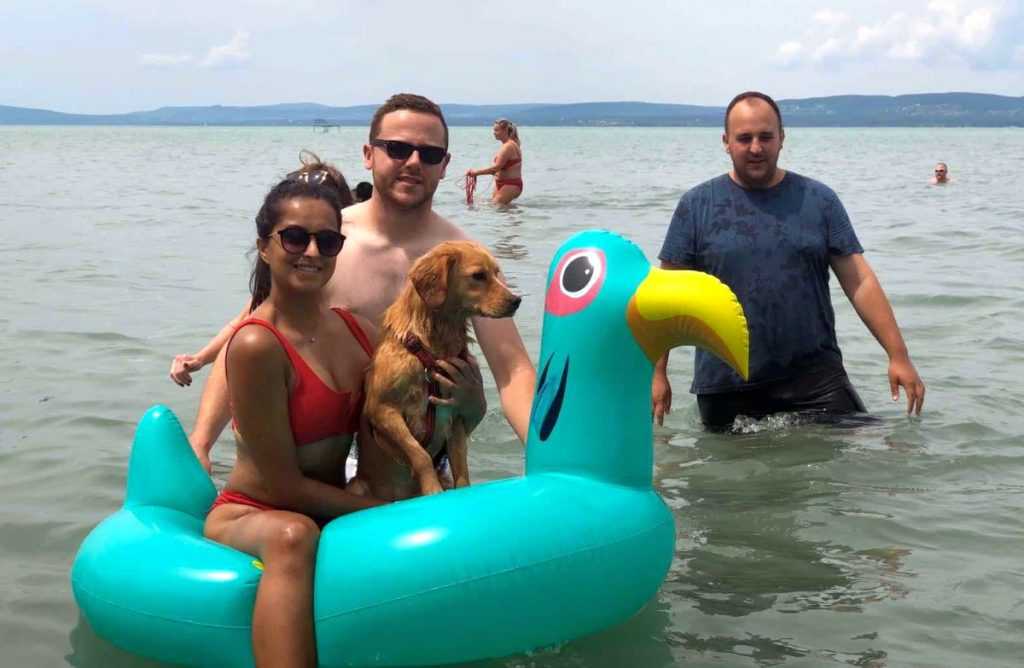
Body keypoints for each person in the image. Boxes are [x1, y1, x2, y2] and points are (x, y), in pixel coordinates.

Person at [172, 94, 536, 472]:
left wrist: (545, 457)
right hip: (336, 453)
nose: (413, 162)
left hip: (425, 453)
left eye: (429, 154)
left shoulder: (467, 259)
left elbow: (514, 371)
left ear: (444, 166)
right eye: (397, 149)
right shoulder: (325, 243)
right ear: (368, 154)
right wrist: (202, 442)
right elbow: (251, 334)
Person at [652, 91, 925, 430]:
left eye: (766, 137)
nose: (756, 148)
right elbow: (667, 295)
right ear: (726, 142)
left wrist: (898, 356)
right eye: (744, 138)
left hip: (815, 380)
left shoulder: (819, 200)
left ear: (782, 138)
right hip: (725, 385)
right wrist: (658, 374)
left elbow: (860, 281)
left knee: (877, 444)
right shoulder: (696, 206)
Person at [204, 168, 388, 667]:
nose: (311, 251)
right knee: (293, 535)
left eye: (327, 241)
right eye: (294, 238)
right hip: (253, 512)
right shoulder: (256, 344)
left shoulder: (360, 332)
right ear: (265, 247)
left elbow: (392, 429)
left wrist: (466, 400)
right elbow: (281, 486)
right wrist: (377, 510)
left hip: (328, 500)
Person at [465, 118, 523, 205]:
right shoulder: (506, 145)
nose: (494, 133)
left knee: (495, 206)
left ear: (505, 130)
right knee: (498, 208)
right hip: (500, 183)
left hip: (511, 184)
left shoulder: (508, 146)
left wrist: (475, 173)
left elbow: (495, 169)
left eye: (496, 130)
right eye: (494, 130)